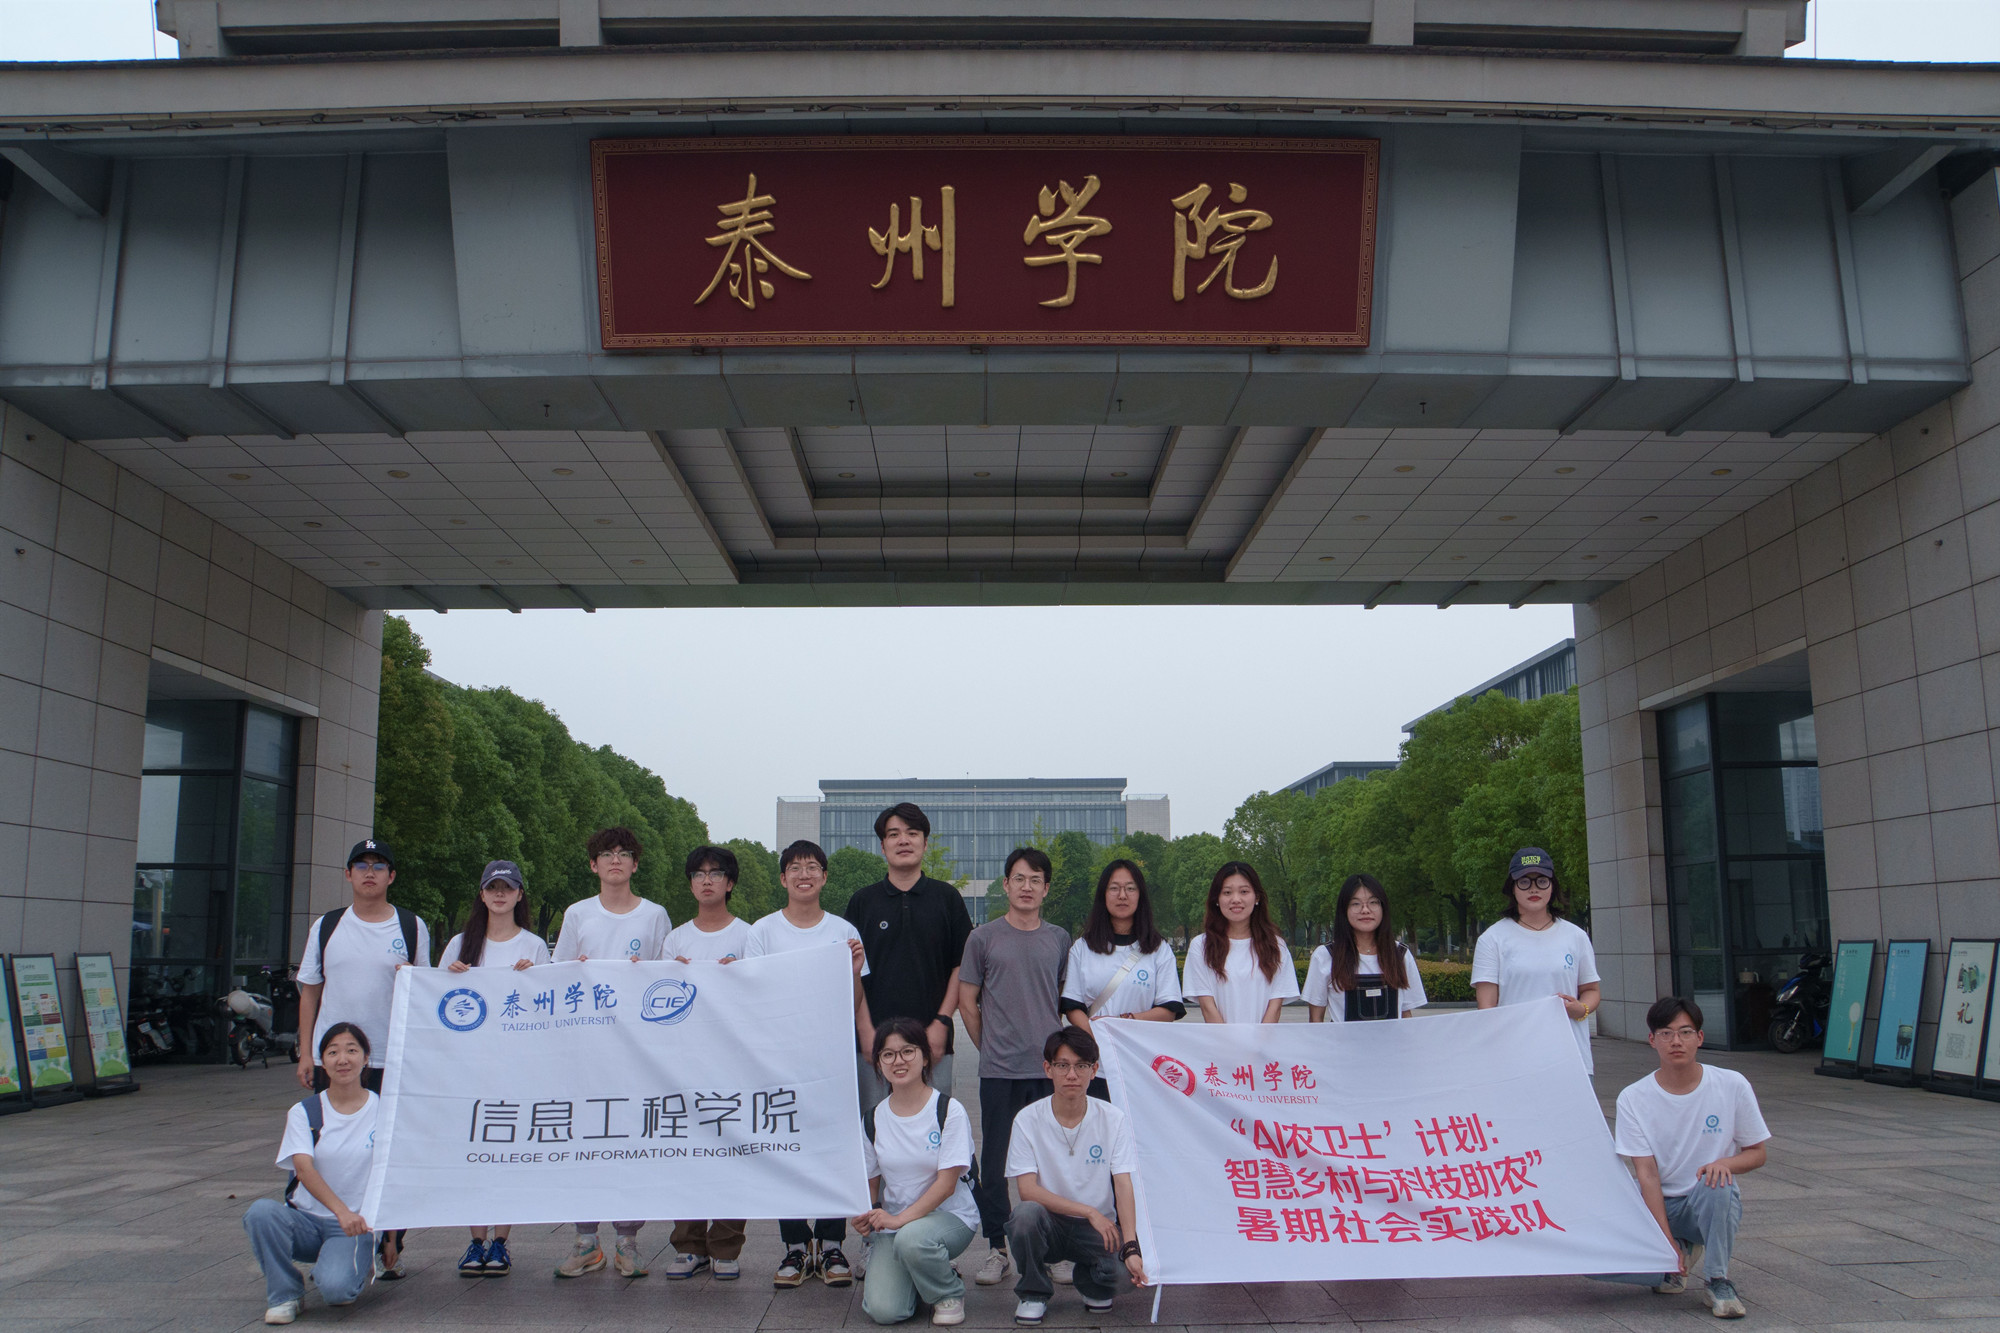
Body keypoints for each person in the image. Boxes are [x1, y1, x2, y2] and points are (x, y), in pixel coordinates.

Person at [294, 838, 429, 1278]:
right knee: (329, 1146)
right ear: (348, 874)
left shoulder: (410, 926)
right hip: (333, 1062)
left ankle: (390, 1244)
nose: (370, 872)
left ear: (392, 876)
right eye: (362, 865)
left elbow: (423, 992)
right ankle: (332, 1233)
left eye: (379, 865)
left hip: (392, 1059)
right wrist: (307, 1051)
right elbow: (310, 991)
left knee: (392, 1153)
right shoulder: (327, 926)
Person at [746, 839, 873, 1289]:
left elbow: (855, 1001)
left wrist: (854, 972)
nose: (805, 875)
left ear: (824, 877)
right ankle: (795, 1246)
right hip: (779, 1058)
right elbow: (751, 994)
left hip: (831, 1059)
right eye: (796, 868)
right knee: (785, 1147)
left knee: (835, 1147)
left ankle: (832, 1242)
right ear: (783, 878)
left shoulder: (843, 930)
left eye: (813, 867)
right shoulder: (762, 932)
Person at [551, 826, 673, 1280]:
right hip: (586, 1049)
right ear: (593, 865)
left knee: (630, 1141)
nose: (615, 860)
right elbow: (558, 975)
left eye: (624, 853)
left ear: (635, 864)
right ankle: (586, 1240)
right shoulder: (578, 914)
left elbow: (665, 979)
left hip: (635, 1051)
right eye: (606, 854)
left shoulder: (654, 915)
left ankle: (628, 1241)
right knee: (583, 1139)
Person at [1599, 996, 1769, 1320]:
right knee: (1592, 1260)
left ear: (1699, 1038)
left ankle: (1718, 1280)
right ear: (1652, 1040)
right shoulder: (1633, 1098)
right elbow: (1647, 1174)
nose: (1676, 1041)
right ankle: (1675, 1260)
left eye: (1685, 1032)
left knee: (1718, 1182)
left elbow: (1757, 1153)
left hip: (1707, 1202)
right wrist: (1664, 1242)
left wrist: (1724, 1163)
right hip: (1659, 1205)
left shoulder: (1731, 1085)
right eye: (1666, 1033)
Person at [958, 847, 1071, 1288]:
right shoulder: (983, 938)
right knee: (995, 1162)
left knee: (1051, 1161)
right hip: (1000, 1071)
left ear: (1046, 889)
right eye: (1019, 879)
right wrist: (988, 1047)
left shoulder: (1059, 938)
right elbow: (968, 1001)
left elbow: (1061, 996)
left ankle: (1053, 1248)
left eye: (1035, 880)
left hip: (1047, 1071)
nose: (1027, 887)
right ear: (1005, 885)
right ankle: (997, 1249)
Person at [440, 860, 549, 1276]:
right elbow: (437, 1004)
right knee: (474, 1154)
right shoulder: (459, 945)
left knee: (508, 1155)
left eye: (507, 887)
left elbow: (549, 1005)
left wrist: (535, 979)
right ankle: (475, 1240)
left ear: (520, 894)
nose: (499, 894)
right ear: (482, 894)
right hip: (469, 1069)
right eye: (492, 887)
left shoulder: (534, 947)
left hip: (517, 1069)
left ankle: (500, 1241)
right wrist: (450, 977)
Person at [1004, 1027, 1148, 1327]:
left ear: (1094, 1070)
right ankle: (1033, 1292)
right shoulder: (1027, 1119)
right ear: (1048, 1069)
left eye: (1081, 1066)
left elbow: (1123, 1183)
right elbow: (1027, 1190)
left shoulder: (1113, 1118)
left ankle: (1090, 1282)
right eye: (1063, 1065)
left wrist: (1131, 1245)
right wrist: (1088, 1211)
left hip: (1098, 1229)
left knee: (1123, 1275)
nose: (1072, 1074)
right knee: (1024, 1216)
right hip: (1049, 1222)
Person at [243, 1023, 380, 1325]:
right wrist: (341, 1211)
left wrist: (392, 1236)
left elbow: (397, 1172)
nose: (342, 1060)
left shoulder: (384, 1110)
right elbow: (303, 1169)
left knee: (338, 1293)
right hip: (306, 1221)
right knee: (261, 1213)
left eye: (351, 1050)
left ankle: (347, 1262)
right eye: (333, 1052)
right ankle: (285, 1294)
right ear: (322, 1061)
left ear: (366, 1057)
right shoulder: (304, 1111)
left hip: (356, 1226)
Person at [851, 1017, 981, 1327]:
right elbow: (871, 1184)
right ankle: (920, 1273)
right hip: (896, 1226)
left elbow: (946, 1185)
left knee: (912, 1240)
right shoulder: (872, 1119)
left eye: (907, 1051)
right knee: (885, 1311)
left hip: (949, 1218)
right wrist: (864, 1214)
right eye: (888, 1054)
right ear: (878, 1063)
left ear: (925, 1057)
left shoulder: (948, 1110)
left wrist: (899, 1220)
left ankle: (948, 1292)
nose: (898, 1061)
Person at [844, 803, 974, 1110]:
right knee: (874, 1128)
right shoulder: (862, 902)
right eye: (894, 834)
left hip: (933, 1042)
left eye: (912, 833)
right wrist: (865, 1032)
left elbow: (961, 966)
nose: (903, 840)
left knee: (933, 1126)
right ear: (883, 846)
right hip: (874, 1045)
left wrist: (942, 1022)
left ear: (925, 843)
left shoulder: (947, 899)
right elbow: (851, 971)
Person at [662, 845, 752, 1281]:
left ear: (730, 883)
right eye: (698, 874)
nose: (707, 881)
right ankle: (688, 1244)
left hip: (734, 1060)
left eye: (716, 873)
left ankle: (726, 1244)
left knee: (733, 1150)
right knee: (686, 1151)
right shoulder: (676, 939)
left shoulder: (749, 936)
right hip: (685, 1061)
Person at [1059, 858, 1184, 1097]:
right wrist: (1099, 1039)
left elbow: (1169, 1009)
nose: (1122, 895)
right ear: (1103, 895)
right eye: (1114, 888)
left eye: (1130, 888)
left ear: (1140, 895)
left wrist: (1125, 1023)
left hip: (1142, 1065)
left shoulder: (1158, 949)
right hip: (1095, 1067)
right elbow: (1072, 1006)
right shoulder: (1083, 948)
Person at [1472, 847, 1601, 1072]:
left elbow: (1591, 990)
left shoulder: (1576, 936)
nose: (1533, 888)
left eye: (1542, 881)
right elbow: (1487, 1008)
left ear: (1553, 886)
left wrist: (1581, 1009)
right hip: (1515, 1062)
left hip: (1570, 1060)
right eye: (1524, 882)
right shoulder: (1492, 939)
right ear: (1512, 888)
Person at [1180, 862, 1298, 1023]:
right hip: (1217, 1039)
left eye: (1244, 892)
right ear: (1217, 899)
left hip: (1264, 1038)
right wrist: (1227, 1040)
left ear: (1257, 897)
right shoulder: (1200, 946)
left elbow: (1275, 1008)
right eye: (1227, 892)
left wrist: (1259, 1040)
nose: (1236, 899)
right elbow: (1207, 1007)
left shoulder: (1276, 947)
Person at [1302, 873, 1427, 1022]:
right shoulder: (1326, 956)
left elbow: (1406, 1016)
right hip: (1343, 1038)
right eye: (1356, 904)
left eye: (1373, 902)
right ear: (1344, 909)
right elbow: (1315, 1020)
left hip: (1392, 1038)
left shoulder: (1400, 954)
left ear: (1383, 907)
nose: (1365, 910)